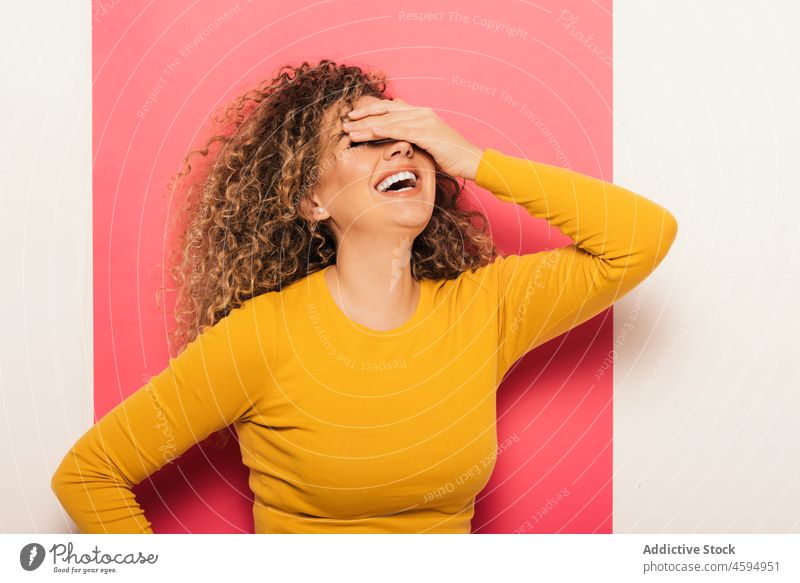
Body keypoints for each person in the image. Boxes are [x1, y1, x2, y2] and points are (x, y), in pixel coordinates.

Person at [51, 59, 678, 534]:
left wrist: (470, 156)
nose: (402, 147)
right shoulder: (262, 337)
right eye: (366, 139)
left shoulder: (487, 308)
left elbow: (641, 238)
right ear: (312, 201)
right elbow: (88, 475)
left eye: (409, 135)